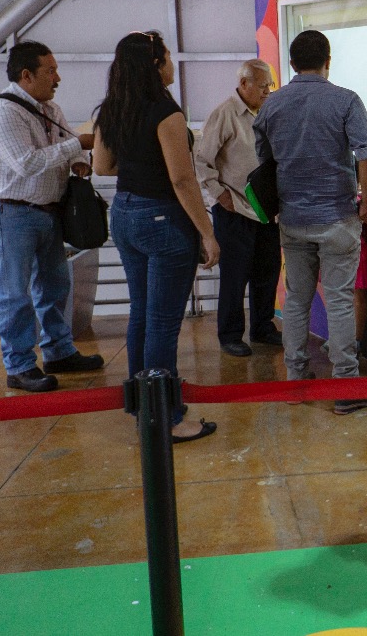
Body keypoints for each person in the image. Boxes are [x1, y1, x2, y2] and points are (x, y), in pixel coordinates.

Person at [92, 31, 220, 444]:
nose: (172, 65)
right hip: (163, 218)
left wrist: (139, 162)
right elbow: (183, 180)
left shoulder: (111, 108)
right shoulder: (167, 112)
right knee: (163, 325)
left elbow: (102, 166)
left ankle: (142, 408)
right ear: (155, 64)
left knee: (141, 315)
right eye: (167, 57)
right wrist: (207, 232)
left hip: (125, 214)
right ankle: (167, 418)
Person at [253, 29, 367, 415]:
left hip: (292, 218)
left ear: (291, 64)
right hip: (338, 216)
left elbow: (265, 162)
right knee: (340, 300)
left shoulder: (271, 106)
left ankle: (296, 379)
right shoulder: (345, 100)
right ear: (329, 60)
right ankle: (346, 386)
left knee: (296, 299)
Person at [0, 40, 105, 393]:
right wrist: (77, 144)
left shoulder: (50, 108)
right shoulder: (2, 112)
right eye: (50, 71)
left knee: (55, 285)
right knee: (14, 292)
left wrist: (78, 162)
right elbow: (27, 163)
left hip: (49, 211)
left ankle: (58, 351)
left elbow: (66, 151)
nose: (58, 77)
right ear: (26, 75)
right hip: (11, 212)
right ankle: (18, 366)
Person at [194, 59, 282, 358]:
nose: (267, 91)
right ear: (244, 84)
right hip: (235, 209)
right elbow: (202, 161)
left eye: (270, 85)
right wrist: (220, 196)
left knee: (267, 271)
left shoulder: (269, 112)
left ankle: (262, 326)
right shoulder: (225, 114)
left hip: (267, 209)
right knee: (235, 275)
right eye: (262, 85)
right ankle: (230, 334)